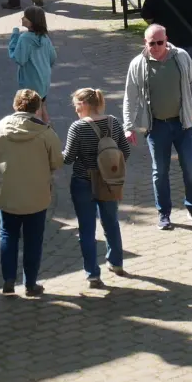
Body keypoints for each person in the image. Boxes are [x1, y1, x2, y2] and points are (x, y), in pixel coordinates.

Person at [122, 24, 192, 231]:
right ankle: (164, 213)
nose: (157, 47)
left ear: (166, 39)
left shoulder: (181, 57)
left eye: (160, 42)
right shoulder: (138, 65)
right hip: (157, 126)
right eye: (152, 43)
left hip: (183, 123)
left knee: (191, 168)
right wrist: (129, 126)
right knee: (160, 172)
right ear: (145, 43)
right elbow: (130, 97)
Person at [0, 89, 62, 297]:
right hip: (36, 196)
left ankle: (8, 279)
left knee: (7, 235)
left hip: (7, 194)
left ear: (15, 105)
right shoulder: (46, 133)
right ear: (37, 108)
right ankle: (31, 284)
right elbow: (57, 161)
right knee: (33, 239)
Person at [64, 87, 130, 288]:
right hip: (109, 182)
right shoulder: (113, 122)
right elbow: (125, 151)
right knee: (111, 222)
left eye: (76, 105)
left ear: (84, 105)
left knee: (86, 229)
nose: (75, 110)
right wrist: (110, 169)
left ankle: (93, 273)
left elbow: (68, 158)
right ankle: (116, 262)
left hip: (84, 181)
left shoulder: (77, 127)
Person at [8, 5, 57, 100]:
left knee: (33, 111)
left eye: (25, 17)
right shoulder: (44, 36)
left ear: (32, 22)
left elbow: (19, 59)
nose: (22, 18)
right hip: (44, 80)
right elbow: (53, 57)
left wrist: (14, 38)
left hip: (30, 83)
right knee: (42, 106)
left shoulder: (25, 38)